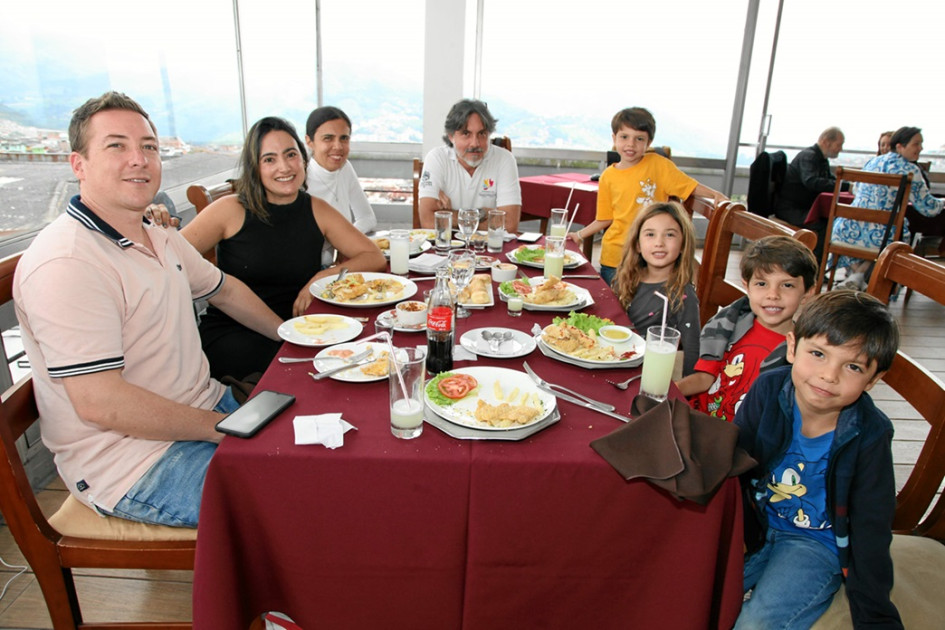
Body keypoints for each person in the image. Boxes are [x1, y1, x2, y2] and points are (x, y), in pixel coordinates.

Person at [13, 91, 285, 528]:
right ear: (78, 164)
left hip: (204, 408)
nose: (139, 159)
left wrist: (293, 336)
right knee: (298, 498)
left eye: (149, 147)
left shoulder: (157, 234)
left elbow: (226, 290)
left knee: (324, 456)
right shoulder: (66, 261)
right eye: (116, 145)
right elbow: (102, 404)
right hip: (131, 460)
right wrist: (222, 429)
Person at [734, 290, 902, 629]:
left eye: (852, 366)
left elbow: (872, 526)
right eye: (818, 354)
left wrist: (875, 614)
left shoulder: (871, 435)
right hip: (758, 523)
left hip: (815, 544)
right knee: (694, 592)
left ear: (873, 380)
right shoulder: (768, 390)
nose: (829, 375)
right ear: (793, 347)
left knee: (757, 623)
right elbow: (733, 461)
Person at [181, 116, 386, 380]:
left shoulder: (315, 208)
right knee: (319, 375)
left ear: (303, 158)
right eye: (269, 159)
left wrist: (321, 277)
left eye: (291, 155)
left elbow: (373, 256)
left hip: (301, 328)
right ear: (255, 167)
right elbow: (169, 257)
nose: (284, 167)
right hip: (237, 333)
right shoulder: (229, 209)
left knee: (364, 359)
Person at [569, 107, 726, 287]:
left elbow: (688, 186)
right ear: (614, 139)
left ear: (649, 142)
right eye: (624, 137)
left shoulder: (658, 165)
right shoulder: (607, 176)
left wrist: (714, 195)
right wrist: (579, 235)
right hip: (615, 257)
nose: (631, 144)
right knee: (615, 308)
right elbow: (604, 218)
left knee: (644, 307)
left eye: (639, 139)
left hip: (650, 255)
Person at [676, 235, 818, 422]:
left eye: (787, 285)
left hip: (743, 438)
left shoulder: (802, 352)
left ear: (807, 293)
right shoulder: (728, 325)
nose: (773, 295)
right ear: (747, 286)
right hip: (696, 418)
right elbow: (704, 379)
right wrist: (663, 392)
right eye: (761, 284)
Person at [832, 126, 944, 291]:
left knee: (878, 233)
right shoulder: (910, 169)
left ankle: (856, 277)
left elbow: (856, 190)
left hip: (845, 230)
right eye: (916, 144)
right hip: (880, 237)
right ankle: (864, 281)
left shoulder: (873, 161)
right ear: (900, 146)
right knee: (892, 234)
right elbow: (929, 209)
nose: (921, 148)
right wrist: (943, 201)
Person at [612, 201, 701, 376]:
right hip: (615, 358)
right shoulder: (627, 276)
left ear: (683, 244)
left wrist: (686, 395)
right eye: (650, 234)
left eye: (669, 235)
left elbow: (692, 350)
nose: (659, 243)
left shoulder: (683, 295)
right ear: (637, 244)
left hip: (646, 371)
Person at [418, 99, 522, 231]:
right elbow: (427, 221)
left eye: (481, 134)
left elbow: (510, 224)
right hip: (449, 248)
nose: (475, 143)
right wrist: (483, 214)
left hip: (489, 248)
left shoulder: (504, 159)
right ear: (451, 136)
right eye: (466, 134)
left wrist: (448, 215)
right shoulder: (436, 158)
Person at [304, 106, 377, 266]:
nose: (338, 146)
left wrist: (346, 243)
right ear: (309, 141)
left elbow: (367, 218)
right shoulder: (299, 179)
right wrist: (345, 241)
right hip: (307, 272)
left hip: (334, 267)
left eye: (344, 138)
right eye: (328, 138)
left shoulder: (345, 168)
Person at [774, 126, 844, 229]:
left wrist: (845, 184)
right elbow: (812, 182)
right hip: (792, 210)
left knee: (835, 221)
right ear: (826, 142)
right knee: (827, 226)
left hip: (804, 207)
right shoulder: (809, 156)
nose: (841, 149)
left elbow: (830, 180)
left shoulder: (821, 159)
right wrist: (845, 187)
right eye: (839, 145)